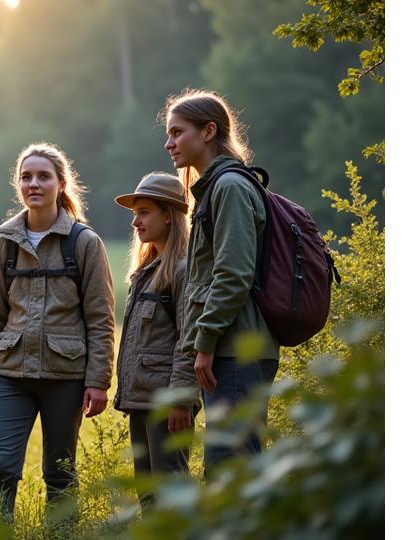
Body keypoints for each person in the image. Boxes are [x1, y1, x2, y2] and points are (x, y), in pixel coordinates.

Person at [0, 142, 115, 524]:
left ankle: (62, 535)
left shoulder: (84, 243)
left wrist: (98, 380)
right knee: (0, 469)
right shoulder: (3, 243)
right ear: (17, 184)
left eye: (43, 176)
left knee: (60, 473)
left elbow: (100, 318)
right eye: (26, 176)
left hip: (65, 376)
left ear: (61, 183)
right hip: (10, 375)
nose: (34, 183)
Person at [161, 89, 279, 472]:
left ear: (208, 131)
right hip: (230, 347)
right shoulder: (217, 188)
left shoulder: (228, 187)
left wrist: (206, 341)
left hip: (234, 349)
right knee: (231, 465)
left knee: (230, 469)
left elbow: (233, 274)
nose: (169, 143)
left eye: (178, 132)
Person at [112, 172, 197, 506]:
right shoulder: (147, 271)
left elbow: (190, 337)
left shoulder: (182, 268)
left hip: (167, 402)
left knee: (172, 490)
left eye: (143, 212)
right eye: (136, 213)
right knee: (148, 492)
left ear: (168, 215)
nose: (136, 222)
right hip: (141, 399)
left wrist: (181, 397)